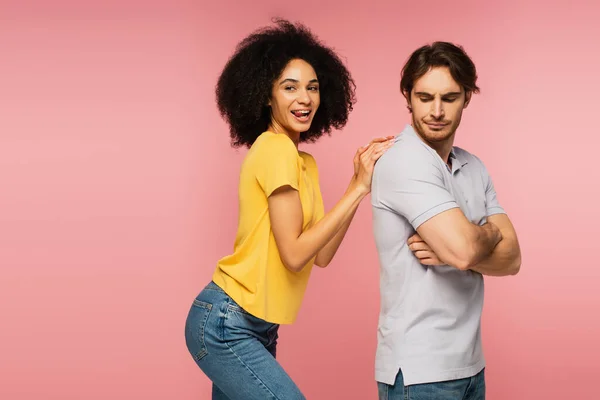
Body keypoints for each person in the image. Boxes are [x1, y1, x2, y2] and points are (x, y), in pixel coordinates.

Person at [184, 19, 394, 400]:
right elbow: (294, 255)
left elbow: (322, 255)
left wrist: (357, 185)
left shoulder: (303, 163)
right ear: (266, 96)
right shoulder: (274, 148)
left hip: (257, 326)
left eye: (313, 87)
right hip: (226, 322)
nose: (305, 98)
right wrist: (358, 188)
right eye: (290, 87)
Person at [371, 42, 522, 400]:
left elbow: (513, 259)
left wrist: (454, 250)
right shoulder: (403, 161)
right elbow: (466, 251)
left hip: (470, 365)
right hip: (419, 372)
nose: (436, 111)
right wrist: (482, 237)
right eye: (425, 98)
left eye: (449, 98)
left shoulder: (473, 165)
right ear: (407, 96)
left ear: (467, 97)